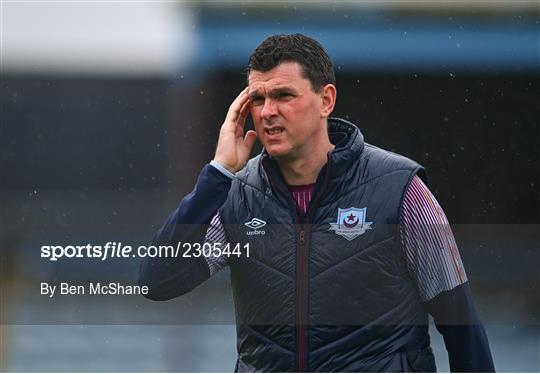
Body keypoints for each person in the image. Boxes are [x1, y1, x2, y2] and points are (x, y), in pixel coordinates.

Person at [140, 34, 495, 372]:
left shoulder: (400, 189)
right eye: (258, 100)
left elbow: (461, 323)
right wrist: (217, 174)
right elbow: (157, 282)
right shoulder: (236, 194)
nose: (267, 112)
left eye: (283, 95)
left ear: (326, 100)